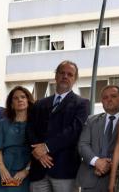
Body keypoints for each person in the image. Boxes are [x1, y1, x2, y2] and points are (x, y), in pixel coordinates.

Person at [26, 60, 90, 192]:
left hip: (65, 170)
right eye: (62, 73)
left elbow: (74, 130)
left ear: (75, 79)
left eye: (70, 74)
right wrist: (39, 153)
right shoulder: (39, 103)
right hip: (39, 170)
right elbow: (30, 129)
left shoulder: (82, 103)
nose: (65, 76)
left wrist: (46, 147)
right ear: (56, 76)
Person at [76, 85, 119, 192]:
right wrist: (97, 162)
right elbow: (82, 145)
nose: (109, 100)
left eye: (113, 96)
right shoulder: (91, 120)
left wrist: (107, 165)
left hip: (118, 181)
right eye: (105, 97)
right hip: (91, 179)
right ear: (101, 102)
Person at [0, 86, 34, 191]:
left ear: (28, 101)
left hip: (26, 171)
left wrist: (26, 171)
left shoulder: (36, 124)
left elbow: (38, 151)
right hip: (5, 172)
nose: (19, 100)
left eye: (23, 97)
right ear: (11, 104)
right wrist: (2, 168)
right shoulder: (2, 123)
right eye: (15, 98)